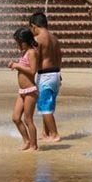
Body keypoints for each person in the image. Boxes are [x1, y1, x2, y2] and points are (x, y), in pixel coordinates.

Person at [29, 11, 63, 142]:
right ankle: (46, 133)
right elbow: (60, 57)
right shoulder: (54, 38)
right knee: (48, 105)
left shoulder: (37, 40)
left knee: (44, 107)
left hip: (46, 76)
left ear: (34, 26)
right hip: (55, 74)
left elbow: (35, 59)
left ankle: (54, 134)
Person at [8, 28, 39, 152]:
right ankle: (26, 140)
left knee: (28, 119)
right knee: (15, 118)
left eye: (18, 43)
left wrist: (17, 65)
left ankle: (34, 145)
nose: (17, 45)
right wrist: (16, 65)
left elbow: (32, 71)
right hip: (22, 91)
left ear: (25, 42)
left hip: (30, 90)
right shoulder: (24, 52)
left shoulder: (32, 52)